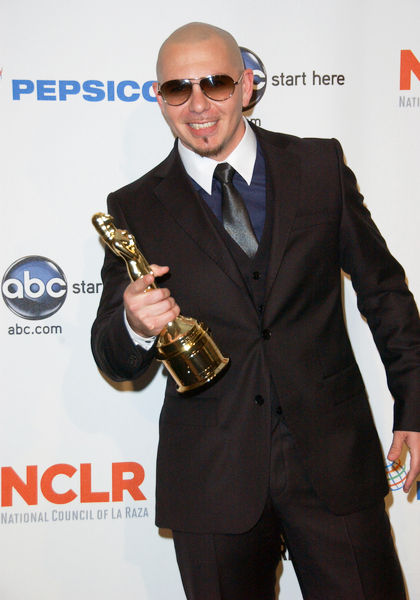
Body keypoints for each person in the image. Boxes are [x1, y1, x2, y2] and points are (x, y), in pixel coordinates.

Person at [91, 22, 420, 600]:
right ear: (159, 97)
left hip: (334, 464)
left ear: (245, 85)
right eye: (177, 89)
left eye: (214, 83)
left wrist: (415, 407)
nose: (197, 105)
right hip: (212, 478)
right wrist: (133, 324)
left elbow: (384, 292)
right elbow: (115, 359)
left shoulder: (319, 168)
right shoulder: (134, 206)